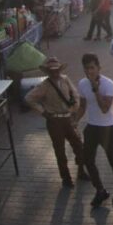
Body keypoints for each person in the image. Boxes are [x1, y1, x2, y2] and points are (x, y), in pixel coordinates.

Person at [24, 57, 89, 188]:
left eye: (57, 70)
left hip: (68, 118)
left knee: (79, 146)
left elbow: (75, 94)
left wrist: (74, 110)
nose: (55, 73)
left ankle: (81, 171)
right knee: (60, 151)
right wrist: (43, 112)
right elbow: (29, 98)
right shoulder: (44, 85)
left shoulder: (65, 79)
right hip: (54, 121)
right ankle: (66, 178)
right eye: (52, 71)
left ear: (60, 70)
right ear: (48, 72)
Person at [77, 53, 113, 207]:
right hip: (91, 127)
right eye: (86, 69)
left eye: (92, 68)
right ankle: (100, 190)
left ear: (99, 68)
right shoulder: (82, 83)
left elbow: (105, 108)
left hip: (107, 129)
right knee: (88, 160)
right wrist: (75, 120)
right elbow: (83, 106)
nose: (89, 72)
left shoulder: (108, 84)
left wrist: (96, 90)